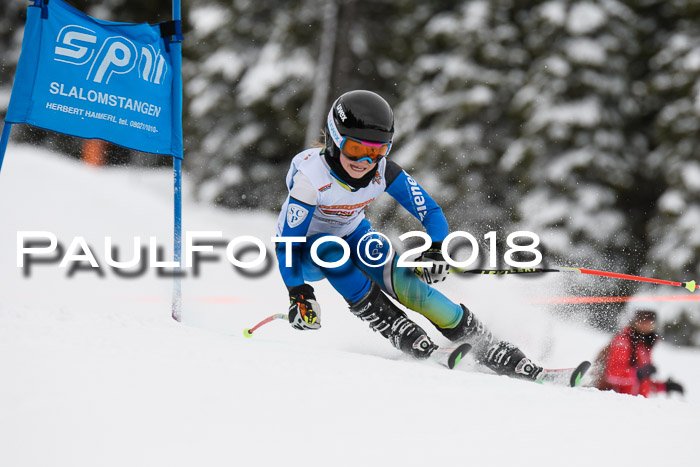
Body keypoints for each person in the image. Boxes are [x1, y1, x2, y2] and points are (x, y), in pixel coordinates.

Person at [274, 89, 543, 381]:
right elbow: (288, 243)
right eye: (355, 149)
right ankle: (393, 325)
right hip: (305, 253)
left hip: (353, 233)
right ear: (336, 139)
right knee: (329, 249)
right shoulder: (310, 180)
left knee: (388, 262)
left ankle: (486, 344)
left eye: (377, 151)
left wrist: (437, 250)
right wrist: (299, 293)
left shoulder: (384, 172)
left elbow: (431, 211)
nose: (365, 161)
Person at [593, 309, 684, 397]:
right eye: (641, 318)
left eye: (650, 319)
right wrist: (638, 373)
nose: (646, 323)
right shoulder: (624, 341)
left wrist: (664, 387)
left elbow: (642, 383)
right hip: (617, 403)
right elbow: (612, 375)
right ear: (634, 320)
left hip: (636, 407)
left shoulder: (644, 345)